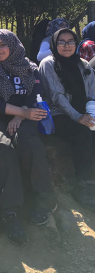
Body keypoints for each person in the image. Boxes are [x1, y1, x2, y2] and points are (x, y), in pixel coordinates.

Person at [0, 29, 57, 245]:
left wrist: (20, 117)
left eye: (2, 45)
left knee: (30, 144)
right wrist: (20, 112)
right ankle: (9, 211)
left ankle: (43, 201)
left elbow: (35, 97)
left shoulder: (30, 68)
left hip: (24, 116)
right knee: (3, 148)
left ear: (13, 45)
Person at [39, 28, 95, 210]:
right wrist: (78, 117)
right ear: (55, 44)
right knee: (84, 134)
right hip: (58, 114)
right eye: (61, 41)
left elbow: (92, 92)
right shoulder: (49, 64)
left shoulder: (84, 65)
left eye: (71, 41)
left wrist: (91, 113)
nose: (66, 45)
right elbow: (57, 96)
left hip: (83, 111)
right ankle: (84, 185)